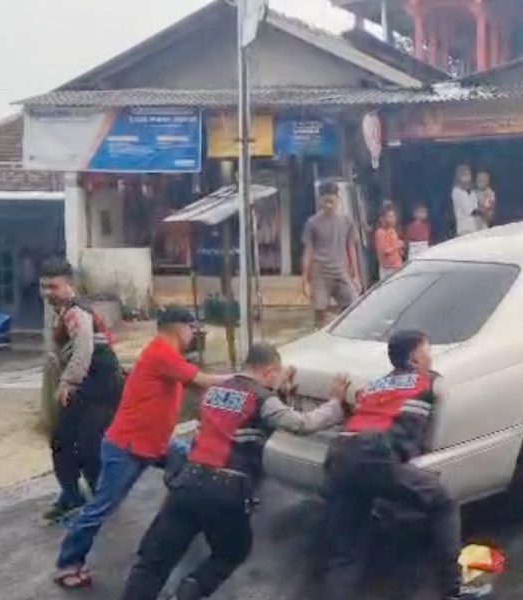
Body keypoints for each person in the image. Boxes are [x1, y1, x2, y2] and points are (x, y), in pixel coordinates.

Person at [120, 344, 351, 600]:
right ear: (270, 370)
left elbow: (239, 415)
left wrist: (279, 393)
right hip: (225, 489)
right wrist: (335, 404)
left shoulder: (215, 389)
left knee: (154, 559)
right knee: (232, 551)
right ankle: (185, 594)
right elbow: (301, 424)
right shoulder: (261, 398)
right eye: (277, 374)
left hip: (186, 481)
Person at [53, 307, 230, 590]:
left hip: (156, 442)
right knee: (101, 507)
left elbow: (199, 388)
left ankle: (184, 524)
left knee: (195, 466)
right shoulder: (161, 353)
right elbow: (202, 381)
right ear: (178, 328)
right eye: (190, 328)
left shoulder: (167, 356)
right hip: (128, 446)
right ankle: (68, 563)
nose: (192, 334)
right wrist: (247, 381)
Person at [323, 330, 481, 600]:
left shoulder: (373, 385)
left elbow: (363, 419)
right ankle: (455, 589)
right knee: (442, 503)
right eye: (427, 351)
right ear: (415, 359)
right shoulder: (431, 381)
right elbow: (433, 435)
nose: (430, 357)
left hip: (338, 455)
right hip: (373, 455)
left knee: (346, 553)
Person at [40, 258, 124, 523]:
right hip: (86, 384)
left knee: (88, 444)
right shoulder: (61, 311)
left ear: (69, 284)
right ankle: (72, 495)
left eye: (53, 286)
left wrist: (69, 382)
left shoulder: (77, 312)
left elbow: (84, 349)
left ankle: (100, 498)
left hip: (100, 384)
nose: (47, 293)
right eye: (43, 287)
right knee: (63, 440)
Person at [302, 182, 362, 328]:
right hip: (320, 271)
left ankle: (340, 330)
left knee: (353, 303)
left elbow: (351, 247)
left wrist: (356, 274)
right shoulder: (312, 223)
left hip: (341, 269)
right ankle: (318, 333)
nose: (328, 205)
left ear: (338, 199)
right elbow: (308, 250)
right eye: (325, 201)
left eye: (331, 201)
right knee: (320, 309)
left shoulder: (347, 221)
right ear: (320, 201)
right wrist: (305, 279)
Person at [374, 202, 405, 281]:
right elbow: (385, 251)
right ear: (382, 219)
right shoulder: (380, 233)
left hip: (398, 266)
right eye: (390, 217)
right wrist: (398, 246)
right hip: (388, 270)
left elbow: (395, 246)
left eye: (394, 216)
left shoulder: (392, 231)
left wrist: (401, 250)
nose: (393, 219)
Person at [451, 164, 480, 237]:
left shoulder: (472, 191)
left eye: (469, 175)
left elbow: (475, 205)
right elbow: (467, 209)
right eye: (464, 175)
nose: (467, 177)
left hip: (475, 226)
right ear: (459, 176)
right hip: (464, 228)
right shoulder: (456, 191)